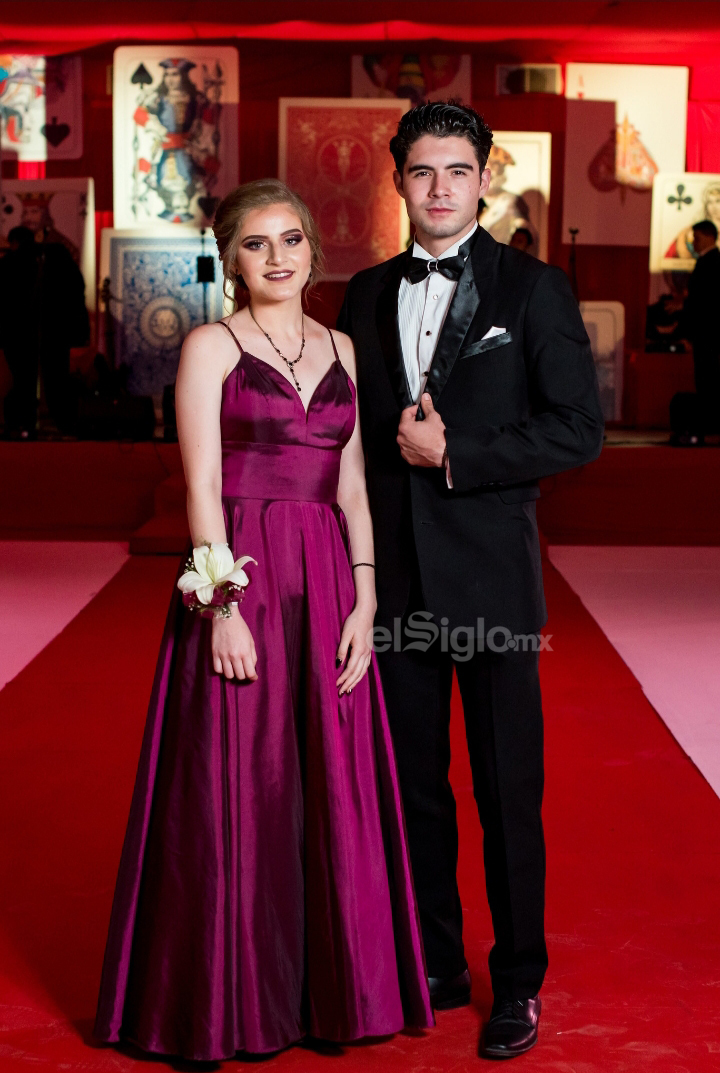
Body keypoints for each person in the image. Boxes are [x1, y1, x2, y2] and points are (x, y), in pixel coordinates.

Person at [93, 179, 433, 1062]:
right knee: (239, 779)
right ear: (230, 256)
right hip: (242, 568)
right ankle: (225, 999)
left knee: (330, 776)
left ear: (313, 251)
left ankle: (332, 992)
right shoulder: (211, 344)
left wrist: (365, 597)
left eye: (291, 240)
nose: (277, 257)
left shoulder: (344, 347)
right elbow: (201, 487)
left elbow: (354, 484)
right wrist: (220, 608)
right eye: (256, 243)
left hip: (326, 575)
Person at [338, 102, 603, 1059]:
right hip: (394, 587)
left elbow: (579, 428)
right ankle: (438, 962)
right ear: (399, 181)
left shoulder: (534, 289)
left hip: (491, 586)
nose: (440, 189)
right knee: (412, 790)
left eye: (457, 171)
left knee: (505, 791)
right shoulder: (364, 294)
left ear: (483, 177)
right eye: (421, 172)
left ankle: (518, 981)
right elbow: (347, 443)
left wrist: (458, 452)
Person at [0, 225, 88, 438]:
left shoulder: (11, 263)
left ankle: (23, 424)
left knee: (23, 379)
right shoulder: (57, 256)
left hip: (19, 331)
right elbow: (77, 289)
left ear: (14, 242)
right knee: (56, 378)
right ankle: (64, 424)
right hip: (55, 330)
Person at [680, 219, 720, 440]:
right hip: (708, 332)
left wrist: (689, 333)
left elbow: (702, 303)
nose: (693, 242)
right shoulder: (710, 262)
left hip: (707, 333)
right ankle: (710, 423)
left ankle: (710, 424)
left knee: (707, 379)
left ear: (707, 236)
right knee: (707, 379)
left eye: (695, 238)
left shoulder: (711, 263)